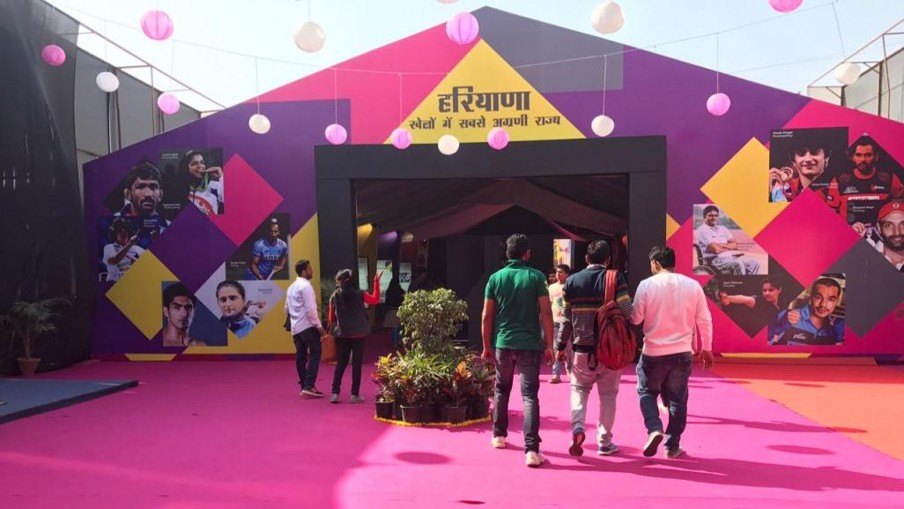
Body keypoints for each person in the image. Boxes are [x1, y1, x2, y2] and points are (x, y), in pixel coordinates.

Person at [631, 246, 714, 459]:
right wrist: (706, 347)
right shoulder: (693, 285)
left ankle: (654, 428)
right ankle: (672, 445)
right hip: (682, 351)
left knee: (647, 392)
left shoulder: (646, 285)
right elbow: (704, 319)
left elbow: (636, 318)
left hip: (653, 351)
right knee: (678, 399)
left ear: (656, 263)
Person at [481, 234, 554, 468]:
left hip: (503, 343)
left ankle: (498, 436)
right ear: (527, 254)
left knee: (501, 390)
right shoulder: (536, 277)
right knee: (529, 395)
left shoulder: (495, 278)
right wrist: (550, 344)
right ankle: (531, 449)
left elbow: (487, 315)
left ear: (507, 253)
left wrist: (486, 346)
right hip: (529, 344)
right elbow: (546, 312)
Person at [555, 241, 634, 457]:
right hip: (610, 350)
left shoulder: (571, 281)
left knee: (579, 390)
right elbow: (627, 311)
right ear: (608, 260)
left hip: (581, 349)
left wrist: (560, 345)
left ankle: (578, 428)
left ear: (586, 259)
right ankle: (604, 442)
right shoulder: (615, 278)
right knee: (608, 395)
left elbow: (566, 319)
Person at [824, 136, 904, 230]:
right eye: (858, 155)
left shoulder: (889, 178)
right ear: (852, 157)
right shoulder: (840, 180)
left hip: (882, 233)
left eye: (868, 155)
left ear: (876, 157)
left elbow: (900, 206)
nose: (863, 159)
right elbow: (830, 213)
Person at [328, 268, 382, 403]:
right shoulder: (360, 294)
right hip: (359, 333)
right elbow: (375, 299)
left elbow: (331, 318)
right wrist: (376, 282)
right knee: (357, 364)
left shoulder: (334, 296)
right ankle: (354, 394)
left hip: (342, 334)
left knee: (341, 363)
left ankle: (334, 393)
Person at [286, 260, 327, 398]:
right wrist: (319, 327)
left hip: (295, 328)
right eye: (310, 268)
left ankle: (305, 386)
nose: (312, 270)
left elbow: (286, 308)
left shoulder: (291, 287)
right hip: (308, 326)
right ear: (304, 271)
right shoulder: (306, 287)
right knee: (315, 354)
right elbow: (311, 310)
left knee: (301, 357)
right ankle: (309, 386)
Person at [770, 277, 845, 346]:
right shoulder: (786, 315)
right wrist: (780, 326)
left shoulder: (838, 328)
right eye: (818, 297)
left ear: (836, 302)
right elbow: (765, 345)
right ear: (811, 297)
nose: (823, 304)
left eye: (831, 299)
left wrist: (840, 341)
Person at [695, 205, 760, 275]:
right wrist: (729, 246)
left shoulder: (722, 229)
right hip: (715, 261)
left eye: (716, 215)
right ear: (705, 216)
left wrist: (721, 245)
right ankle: (740, 282)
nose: (714, 218)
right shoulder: (702, 230)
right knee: (738, 264)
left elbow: (736, 245)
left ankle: (749, 281)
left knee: (755, 263)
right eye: (711, 215)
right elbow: (716, 250)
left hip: (730, 258)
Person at [770, 135, 832, 202]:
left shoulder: (838, 189)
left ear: (826, 158)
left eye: (814, 152)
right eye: (801, 153)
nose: (808, 159)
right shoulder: (782, 191)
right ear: (794, 161)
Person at [719, 278, 784, 336]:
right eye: (764, 290)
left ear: (779, 290)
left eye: (771, 290)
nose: (767, 293)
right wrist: (728, 298)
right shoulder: (761, 301)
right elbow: (748, 299)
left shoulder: (780, 307)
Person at [181, 150, 224, 215]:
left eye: (202, 162)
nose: (200, 166)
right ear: (186, 168)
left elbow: (230, 202)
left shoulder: (215, 186)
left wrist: (221, 177)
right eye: (194, 163)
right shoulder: (179, 189)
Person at [548, 264, 571, 384]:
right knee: (556, 347)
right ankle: (556, 374)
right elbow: (549, 303)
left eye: (561, 272)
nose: (558, 274)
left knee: (569, 348)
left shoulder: (570, 285)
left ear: (567, 274)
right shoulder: (551, 287)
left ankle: (570, 370)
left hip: (567, 322)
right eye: (557, 272)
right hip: (555, 321)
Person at [102, 218, 145, 282]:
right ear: (114, 233)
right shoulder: (109, 247)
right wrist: (129, 244)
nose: (123, 231)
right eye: (120, 229)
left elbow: (146, 266)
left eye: (125, 229)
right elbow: (113, 260)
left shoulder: (138, 249)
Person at [868, 199, 904, 271]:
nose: (897, 232)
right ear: (879, 228)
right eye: (888, 225)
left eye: (903, 224)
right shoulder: (866, 259)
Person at [382, 277, 406, 349]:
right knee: (399, 327)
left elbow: (386, 302)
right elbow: (403, 301)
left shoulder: (388, 291)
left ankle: (395, 343)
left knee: (394, 328)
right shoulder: (401, 291)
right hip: (399, 310)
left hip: (391, 310)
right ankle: (399, 342)